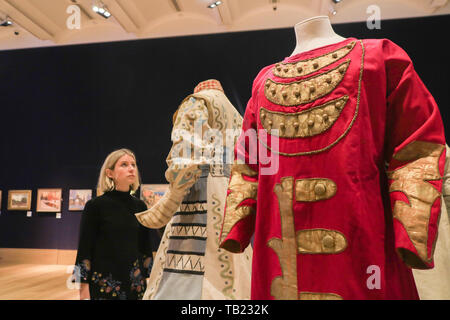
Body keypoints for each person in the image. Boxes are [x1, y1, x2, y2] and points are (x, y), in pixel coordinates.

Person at [219, 16, 447, 299]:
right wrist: (236, 228)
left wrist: (412, 233)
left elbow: (417, 147)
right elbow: (248, 166)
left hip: (363, 251)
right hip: (281, 259)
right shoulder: (262, 83)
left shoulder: (378, 60)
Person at [135, 79, 252, 300]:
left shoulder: (198, 102)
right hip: (230, 199)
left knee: (190, 275)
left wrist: (172, 196)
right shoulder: (238, 116)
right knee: (234, 274)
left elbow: (185, 155)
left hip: (199, 191)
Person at [74, 148, 155, 300]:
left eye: (133, 164)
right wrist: (83, 288)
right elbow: (85, 249)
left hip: (134, 283)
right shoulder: (95, 206)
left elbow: (145, 247)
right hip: (104, 283)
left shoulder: (140, 206)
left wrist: (149, 280)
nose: (131, 168)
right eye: (124, 164)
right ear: (109, 173)